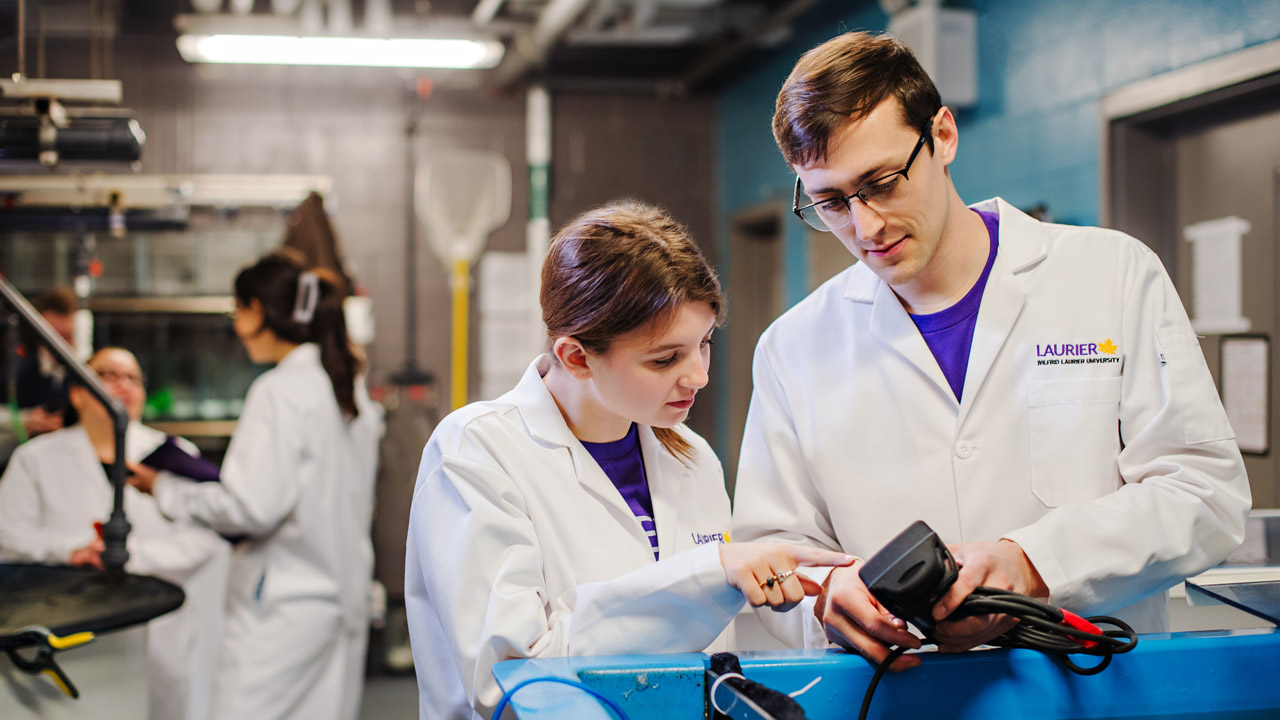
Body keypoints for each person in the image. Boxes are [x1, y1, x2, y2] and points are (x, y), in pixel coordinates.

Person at [731, 31, 1251, 672]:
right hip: (902, 699)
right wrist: (824, 595)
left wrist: (1032, 563)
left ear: (943, 136)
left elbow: (1204, 495)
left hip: (1090, 692)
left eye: (884, 181)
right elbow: (774, 557)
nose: (866, 228)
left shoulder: (1112, 274)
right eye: (832, 202)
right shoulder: (794, 347)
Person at [405, 200, 855, 720]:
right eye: (665, 358)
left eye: (703, 344)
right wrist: (709, 574)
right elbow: (512, 679)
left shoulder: (690, 457)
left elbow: (713, 638)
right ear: (576, 357)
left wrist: (823, 602)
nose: (698, 376)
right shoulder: (477, 452)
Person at [130, 250, 381, 720]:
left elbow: (251, 507)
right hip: (340, 601)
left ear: (258, 312)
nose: (236, 324)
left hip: (282, 608)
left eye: (237, 310)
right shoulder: (349, 391)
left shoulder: (279, 391)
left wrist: (164, 487)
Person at [0, 347, 231, 720]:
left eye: (133, 378)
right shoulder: (37, 458)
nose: (122, 385)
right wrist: (70, 551)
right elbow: (6, 534)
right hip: (72, 627)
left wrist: (132, 556)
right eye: (107, 375)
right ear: (77, 392)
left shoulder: (173, 455)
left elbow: (204, 538)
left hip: (160, 631)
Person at [1, 287, 78, 466]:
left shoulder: (84, 374)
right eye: (54, 336)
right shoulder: (15, 368)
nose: (61, 346)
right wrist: (26, 420)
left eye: (66, 337)